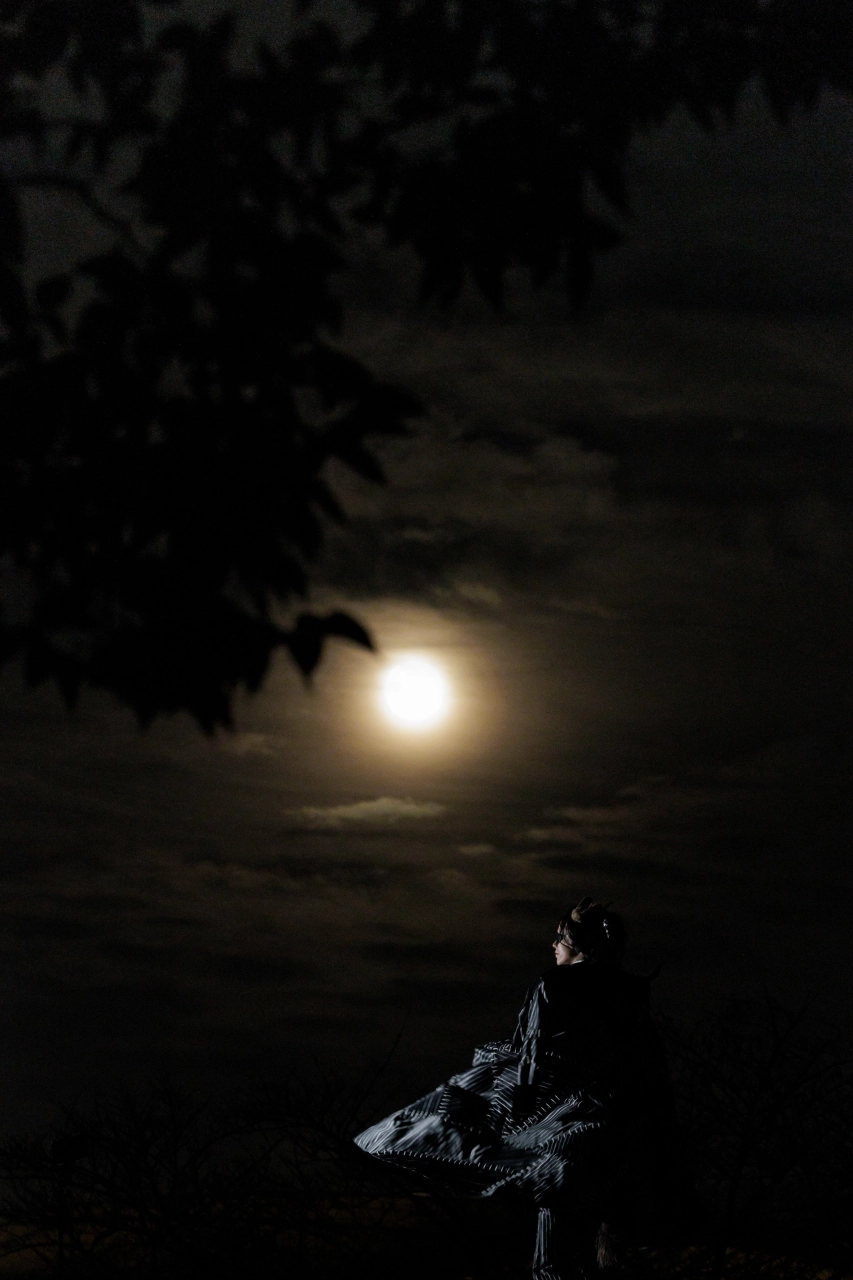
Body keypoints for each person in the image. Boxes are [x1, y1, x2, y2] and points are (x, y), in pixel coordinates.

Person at [354, 897, 689, 1280]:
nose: (553, 945)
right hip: (615, 1128)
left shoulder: (555, 984)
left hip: (563, 1125)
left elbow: (534, 1057)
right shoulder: (629, 995)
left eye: (559, 937)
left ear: (579, 944)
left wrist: (510, 1117)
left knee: (556, 1247)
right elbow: (647, 1068)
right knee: (582, 1236)